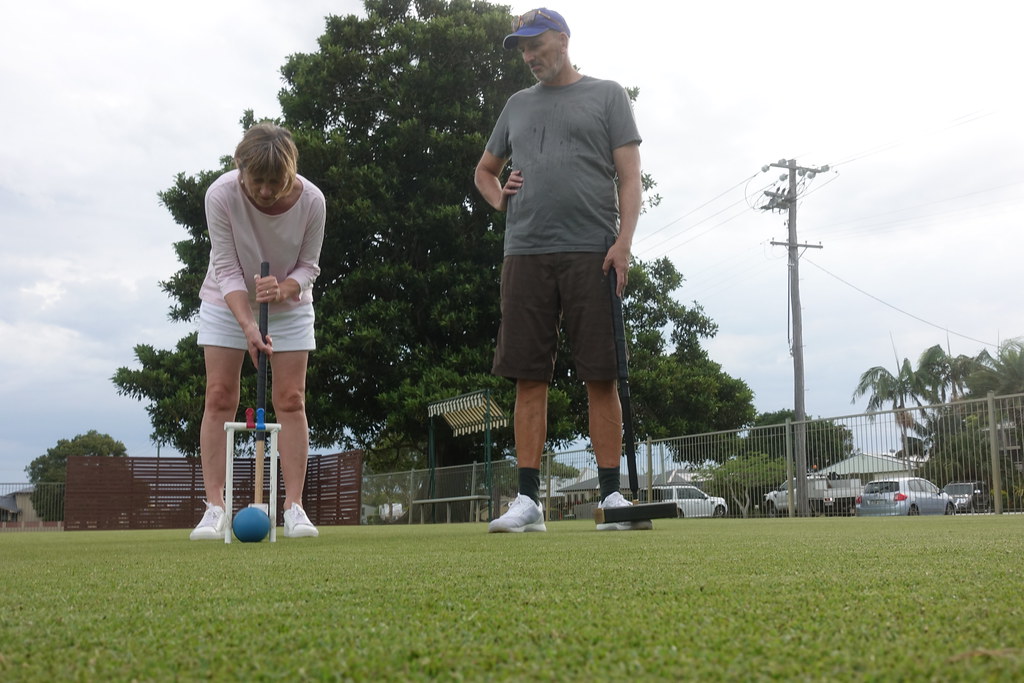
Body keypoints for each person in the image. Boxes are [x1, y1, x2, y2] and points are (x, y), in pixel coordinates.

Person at [474, 8, 645, 532]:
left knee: (601, 375)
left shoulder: (608, 95)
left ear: (563, 40)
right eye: (522, 49)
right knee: (528, 377)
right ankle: (527, 505)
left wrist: (624, 243)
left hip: (593, 250)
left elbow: (630, 178)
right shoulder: (516, 106)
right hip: (524, 253)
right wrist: (499, 198)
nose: (529, 57)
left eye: (536, 45)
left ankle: (613, 499)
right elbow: (483, 171)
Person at [189, 122, 326, 540]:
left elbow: (310, 266)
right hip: (226, 302)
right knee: (219, 395)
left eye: (276, 182)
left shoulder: (313, 201)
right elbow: (227, 269)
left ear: (291, 172)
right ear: (240, 168)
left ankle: (294, 507)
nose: (266, 191)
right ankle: (215, 506)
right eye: (257, 181)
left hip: (287, 305)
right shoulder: (221, 195)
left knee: (291, 398)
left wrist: (285, 287)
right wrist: (248, 325)